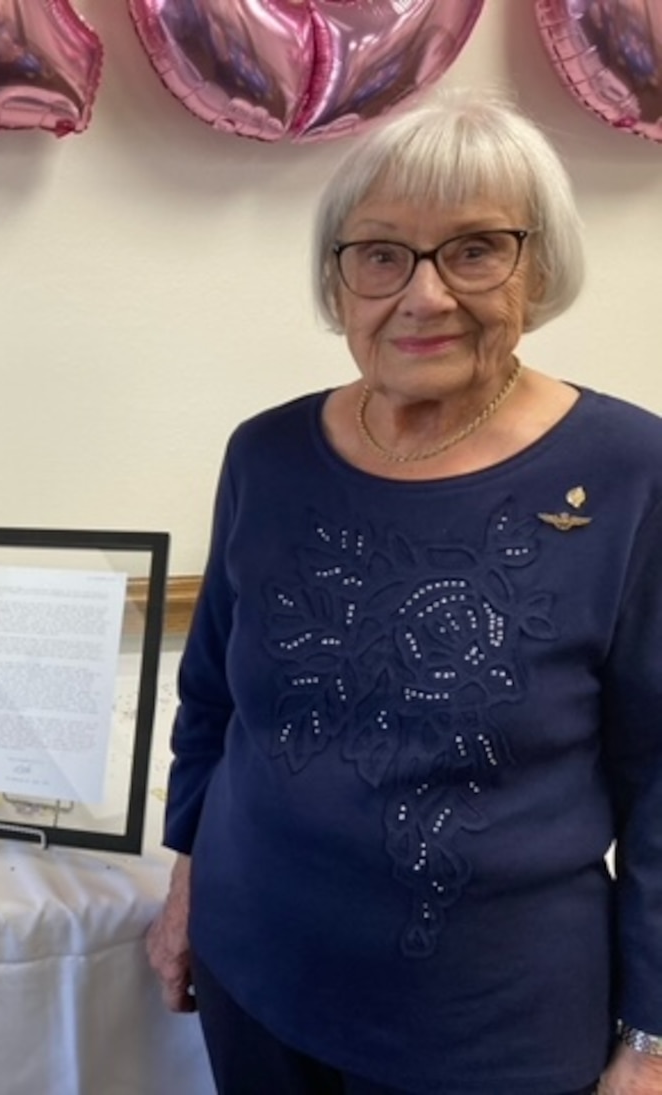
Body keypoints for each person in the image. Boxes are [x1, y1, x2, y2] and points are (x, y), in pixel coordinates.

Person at [145, 91, 662, 1095]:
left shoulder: (630, 472)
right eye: (380, 254)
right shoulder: (266, 454)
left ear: (539, 267)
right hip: (254, 978)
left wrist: (649, 1038)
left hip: (487, 1029)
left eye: (473, 249)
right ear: (337, 283)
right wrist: (187, 879)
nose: (422, 296)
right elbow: (212, 699)